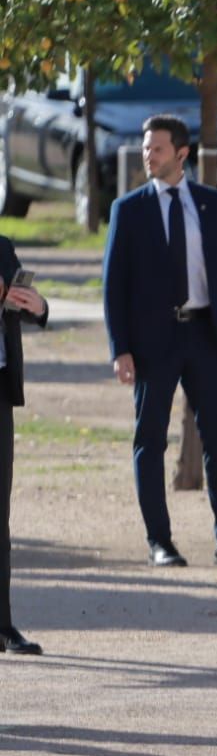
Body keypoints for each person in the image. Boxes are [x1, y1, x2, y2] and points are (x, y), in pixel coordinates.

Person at [103, 114, 217, 570]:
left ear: (182, 154)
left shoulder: (213, 204)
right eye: (147, 148)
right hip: (153, 342)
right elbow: (114, 285)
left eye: (158, 149)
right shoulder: (128, 210)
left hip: (207, 335)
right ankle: (160, 541)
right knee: (149, 440)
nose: (148, 156)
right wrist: (121, 348)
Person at [0, 235, 49, 655]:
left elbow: (21, 301)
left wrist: (38, 306)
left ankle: (3, 624)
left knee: (0, 516)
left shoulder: (3, 246)